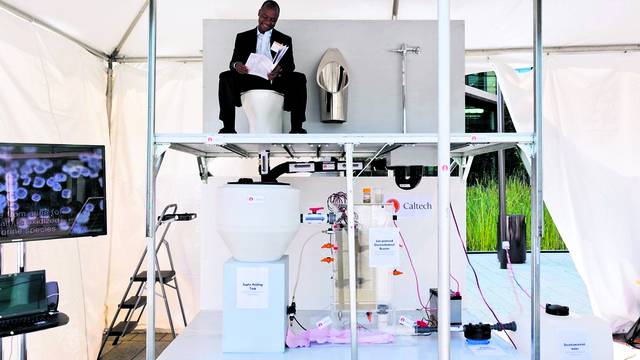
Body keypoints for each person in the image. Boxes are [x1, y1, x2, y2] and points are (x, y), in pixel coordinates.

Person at [218, 0, 307, 134]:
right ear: (259, 13)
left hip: (274, 79)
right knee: (225, 77)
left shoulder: (284, 39)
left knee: (300, 78)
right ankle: (228, 127)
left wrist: (279, 69)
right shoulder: (243, 37)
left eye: (273, 19)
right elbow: (233, 61)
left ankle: (297, 128)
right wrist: (237, 66)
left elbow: (291, 65)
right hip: (249, 78)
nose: (268, 22)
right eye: (265, 17)